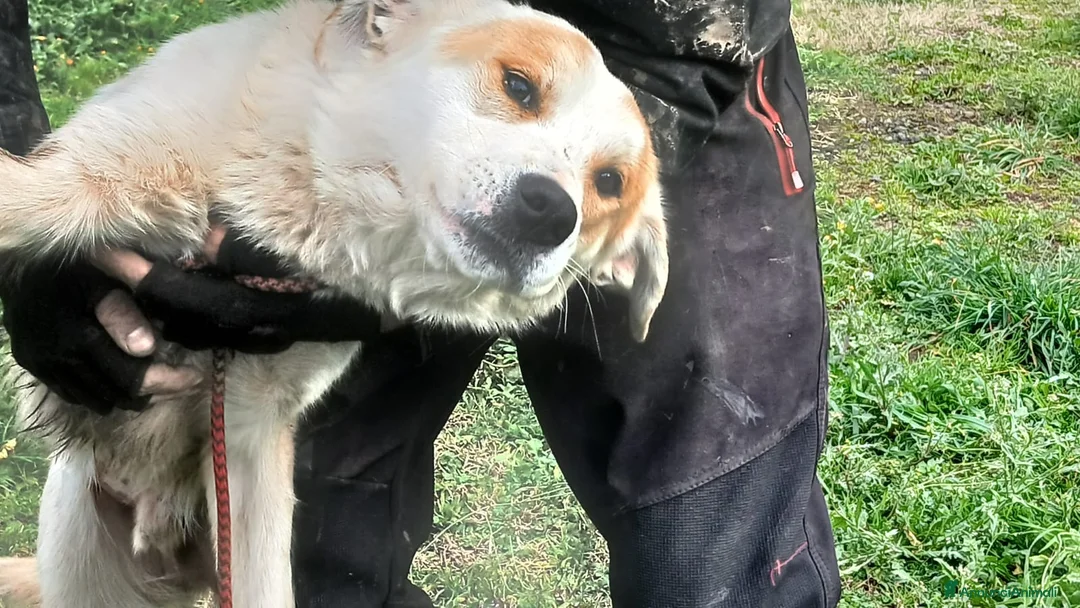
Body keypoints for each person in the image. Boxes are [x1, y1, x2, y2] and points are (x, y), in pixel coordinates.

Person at [0, 0, 842, 605]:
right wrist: (33, 206)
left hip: (675, 42)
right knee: (322, 551)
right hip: (398, 62)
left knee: (712, 565)